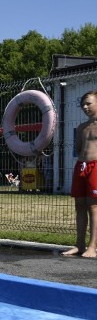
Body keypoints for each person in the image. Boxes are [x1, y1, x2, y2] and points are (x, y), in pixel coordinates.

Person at [62, 90, 97, 258]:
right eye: (83, 104)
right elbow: (78, 149)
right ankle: (80, 245)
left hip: (96, 166)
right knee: (80, 206)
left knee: (94, 207)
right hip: (81, 166)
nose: (85, 107)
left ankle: (92, 247)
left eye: (88, 103)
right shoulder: (82, 127)